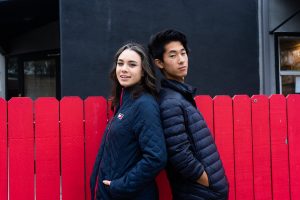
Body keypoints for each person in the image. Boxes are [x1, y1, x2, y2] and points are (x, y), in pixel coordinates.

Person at [148, 29, 229, 200]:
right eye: (172, 55)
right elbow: (179, 153)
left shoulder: (180, 97)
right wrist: (207, 180)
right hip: (199, 193)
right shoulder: (170, 102)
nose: (181, 60)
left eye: (183, 53)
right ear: (159, 63)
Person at [90, 43, 167, 200]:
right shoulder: (125, 102)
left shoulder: (144, 105)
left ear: (143, 71)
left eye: (132, 65)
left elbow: (156, 157)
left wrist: (120, 186)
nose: (124, 69)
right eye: (120, 63)